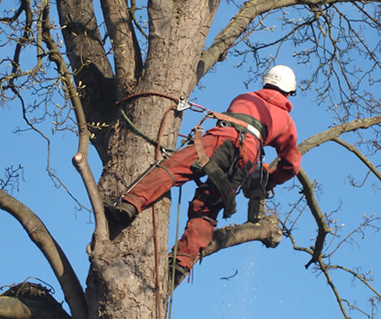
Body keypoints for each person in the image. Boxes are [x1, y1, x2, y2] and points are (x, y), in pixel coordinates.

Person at [105, 65, 302, 283]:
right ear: (289, 92)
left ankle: (130, 203)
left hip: (224, 137)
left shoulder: (245, 97)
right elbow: (292, 165)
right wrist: (271, 180)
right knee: (208, 207)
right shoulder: (286, 121)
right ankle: (182, 262)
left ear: (266, 82)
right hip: (247, 158)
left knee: (175, 167)